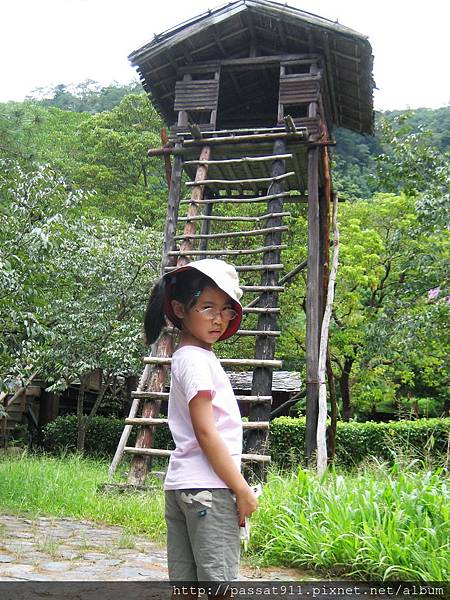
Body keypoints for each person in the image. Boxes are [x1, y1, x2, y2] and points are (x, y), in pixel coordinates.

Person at [144, 258, 258, 594]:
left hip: (182, 485)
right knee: (219, 586)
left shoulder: (187, 357)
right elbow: (207, 432)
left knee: (187, 587)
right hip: (210, 489)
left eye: (225, 309)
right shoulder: (196, 361)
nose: (219, 318)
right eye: (207, 307)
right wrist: (241, 489)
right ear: (180, 309)